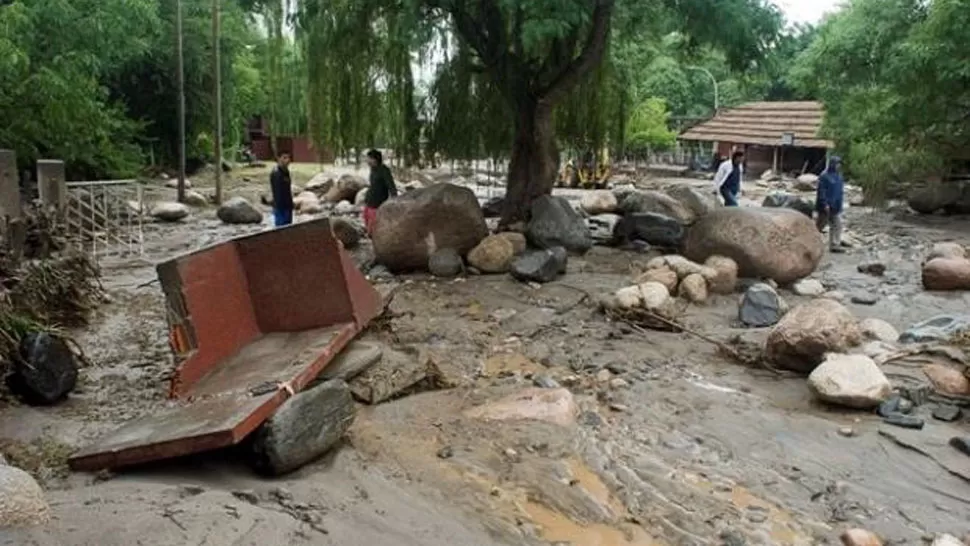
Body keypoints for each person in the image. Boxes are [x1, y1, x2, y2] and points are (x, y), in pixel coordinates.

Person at [816, 155, 847, 253]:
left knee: (837, 224)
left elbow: (839, 192)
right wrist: (824, 203)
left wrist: (840, 204)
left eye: (839, 164)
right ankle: (811, 240)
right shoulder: (824, 176)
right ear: (832, 164)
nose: (838, 166)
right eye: (837, 164)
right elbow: (821, 191)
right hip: (826, 206)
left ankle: (835, 245)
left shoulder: (839, 176)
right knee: (820, 225)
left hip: (836, 206)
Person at [363, 149, 397, 235]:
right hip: (369, 202)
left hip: (377, 203)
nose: (366, 160)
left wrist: (394, 201)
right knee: (367, 223)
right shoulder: (373, 169)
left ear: (374, 159)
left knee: (374, 227)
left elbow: (391, 186)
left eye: (368, 158)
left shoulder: (384, 170)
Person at [269, 151, 293, 227]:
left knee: (289, 227)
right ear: (279, 159)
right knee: (281, 228)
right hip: (280, 207)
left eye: (288, 158)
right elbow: (277, 191)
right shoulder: (276, 173)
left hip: (288, 205)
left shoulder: (286, 171)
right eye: (284, 158)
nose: (287, 160)